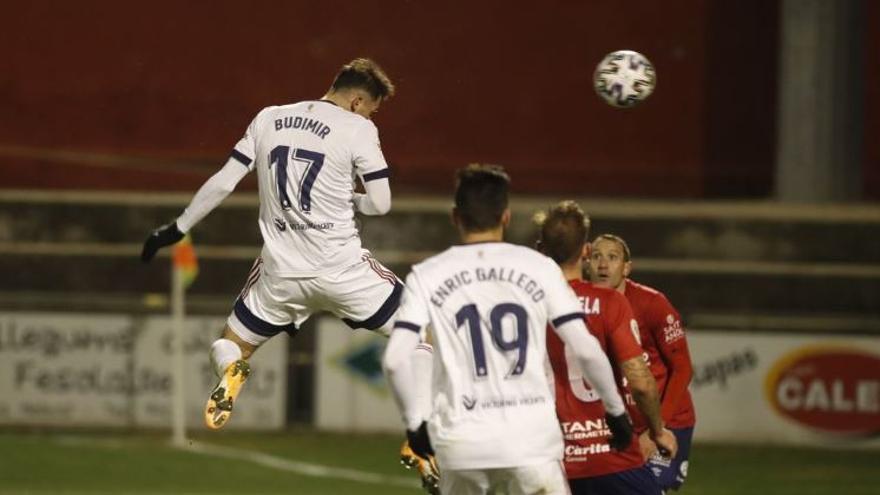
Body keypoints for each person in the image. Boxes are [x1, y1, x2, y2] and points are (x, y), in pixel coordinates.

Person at [139, 59, 436, 451]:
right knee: (423, 331)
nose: (371, 115)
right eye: (372, 108)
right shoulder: (358, 127)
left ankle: (232, 371)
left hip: (281, 274)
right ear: (358, 101)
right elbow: (381, 204)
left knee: (229, 343)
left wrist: (178, 227)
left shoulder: (269, 118)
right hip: (343, 270)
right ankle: (420, 429)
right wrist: (349, 197)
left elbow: (224, 181)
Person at [382, 164, 632, 495]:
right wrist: (615, 411)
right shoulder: (539, 267)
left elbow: (396, 360)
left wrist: (415, 423)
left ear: (456, 216)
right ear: (506, 217)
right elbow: (585, 349)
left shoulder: (426, 275)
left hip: (461, 443)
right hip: (531, 441)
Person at [535, 201, 677, 495]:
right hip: (609, 454)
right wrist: (657, 430)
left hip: (546, 459)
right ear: (586, 250)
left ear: (540, 249)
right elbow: (639, 381)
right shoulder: (610, 302)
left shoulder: (524, 305)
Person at [589, 234, 696, 492]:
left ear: (626, 268)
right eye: (596, 257)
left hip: (666, 421)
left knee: (649, 488)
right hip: (618, 424)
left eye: (612, 257)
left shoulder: (652, 303)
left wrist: (656, 428)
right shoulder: (581, 304)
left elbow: (683, 368)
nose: (603, 265)